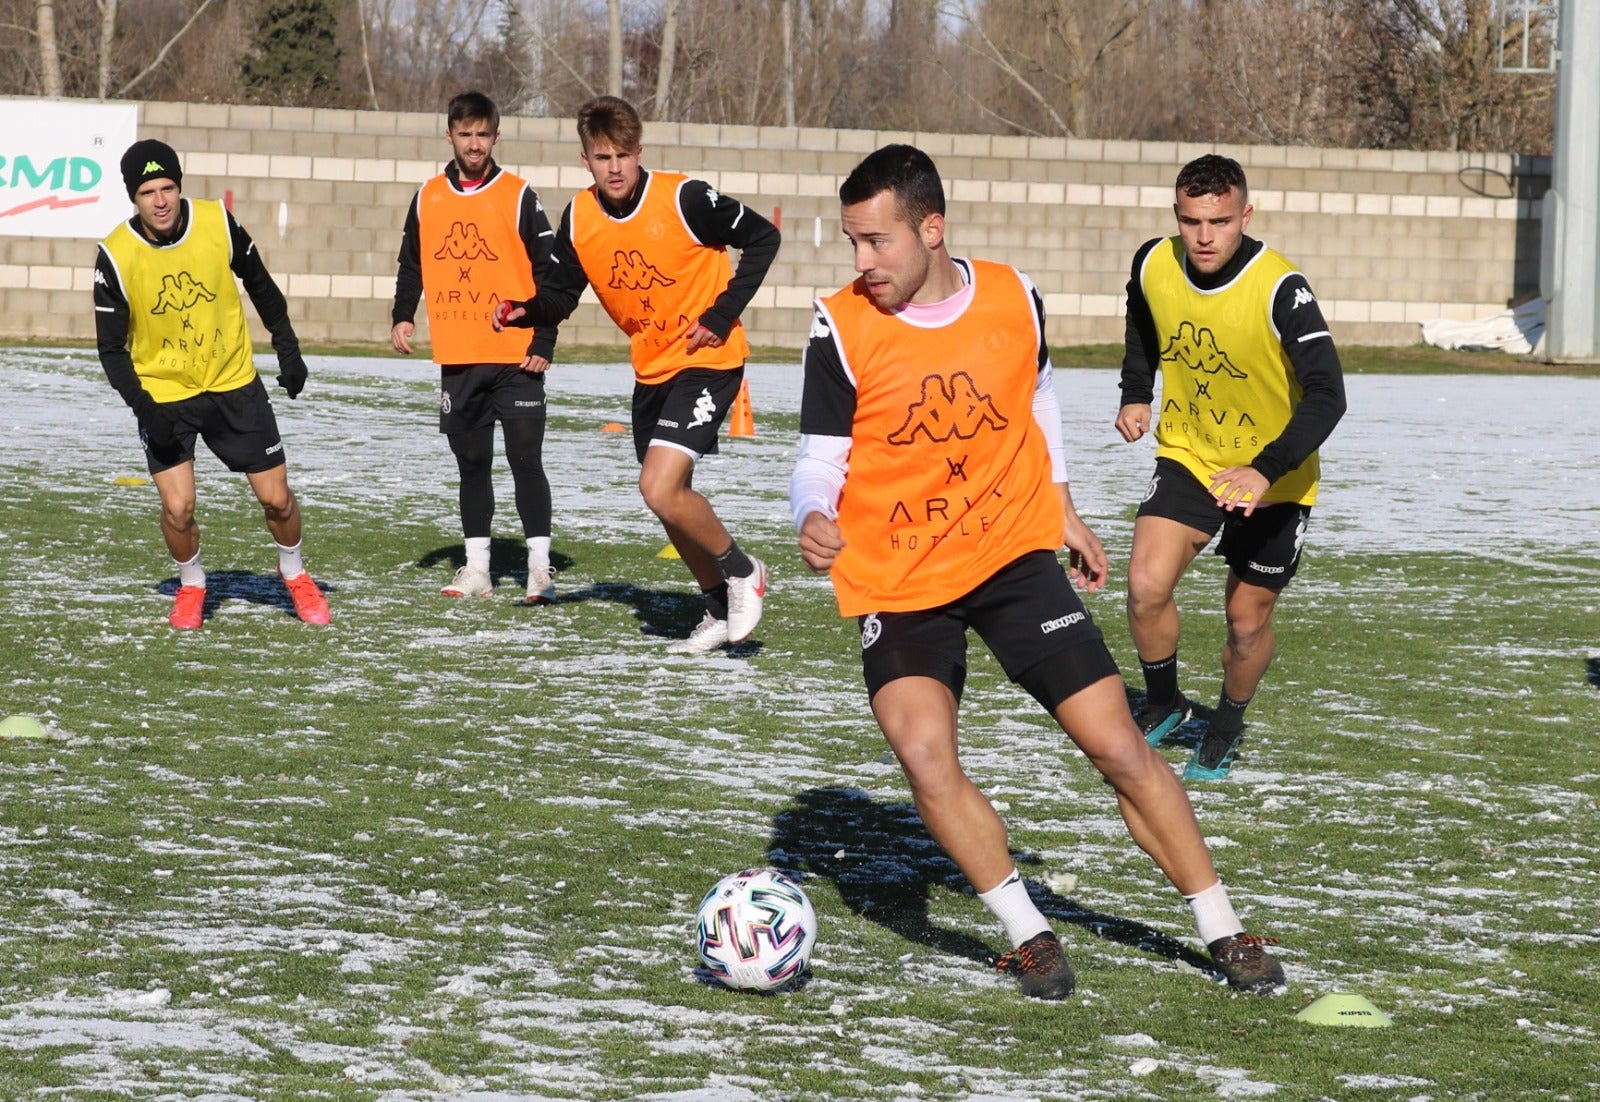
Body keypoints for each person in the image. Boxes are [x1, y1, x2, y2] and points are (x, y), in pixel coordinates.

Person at [791, 143, 1285, 1000]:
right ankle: (1028, 932)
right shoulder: (840, 323)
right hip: (900, 575)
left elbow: (1037, 395)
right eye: (853, 244)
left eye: (878, 242)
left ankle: (1223, 926)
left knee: (1120, 746)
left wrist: (1060, 507)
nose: (863, 263)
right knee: (922, 752)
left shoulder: (1014, 295)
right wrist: (811, 513)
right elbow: (817, 457)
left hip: (1008, 554)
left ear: (931, 229)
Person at [492, 95, 779, 652]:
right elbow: (562, 293)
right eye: (603, 157)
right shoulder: (579, 216)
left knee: (659, 485)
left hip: (708, 360)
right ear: (586, 161)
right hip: (652, 370)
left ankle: (744, 572)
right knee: (667, 499)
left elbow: (764, 237)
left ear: (639, 152)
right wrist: (528, 309)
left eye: (624, 154)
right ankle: (718, 608)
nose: (615, 167)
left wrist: (721, 315)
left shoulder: (684, 198)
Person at [1116, 154, 1347, 780]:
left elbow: (1329, 392)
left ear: (1245, 214)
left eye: (1219, 221)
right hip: (1191, 454)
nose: (1204, 237)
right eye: (1191, 221)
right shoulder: (1154, 261)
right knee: (1144, 585)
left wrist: (1265, 470)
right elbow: (1143, 317)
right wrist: (1136, 389)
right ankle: (1164, 703)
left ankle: (1226, 723)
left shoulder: (1281, 288)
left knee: (1246, 623)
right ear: (1177, 216)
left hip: (1276, 478)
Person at [94, 139, 329, 630]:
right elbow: (112, 350)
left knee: (277, 499)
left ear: (179, 187)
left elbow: (260, 283)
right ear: (132, 197)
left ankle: (295, 574)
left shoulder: (217, 222)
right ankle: (192, 585)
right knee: (178, 509)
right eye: (147, 192)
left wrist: (287, 347)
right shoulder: (115, 255)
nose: (160, 200)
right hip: (164, 394)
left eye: (168, 188)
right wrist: (144, 407)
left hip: (232, 382)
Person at [393, 91, 561, 603]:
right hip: (458, 355)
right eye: (464, 134)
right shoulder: (427, 196)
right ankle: (477, 570)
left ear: (495, 136)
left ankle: (539, 568)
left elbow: (550, 272)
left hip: (516, 355)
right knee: (471, 464)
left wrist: (544, 336)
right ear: (449, 135)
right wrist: (403, 314)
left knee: (525, 459)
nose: (473, 144)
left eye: (482, 134)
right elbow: (412, 263)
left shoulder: (518, 194)